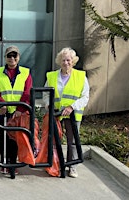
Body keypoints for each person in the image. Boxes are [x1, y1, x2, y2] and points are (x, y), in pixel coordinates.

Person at [43, 47, 90, 178]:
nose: (66, 63)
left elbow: (85, 96)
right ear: (59, 61)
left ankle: (72, 166)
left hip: (73, 114)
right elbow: (46, 93)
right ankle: (54, 164)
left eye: (68, 60)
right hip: (56, 113)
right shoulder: (52, 76)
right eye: (63, 60)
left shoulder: (81, 76)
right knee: (53, 139)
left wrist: (72, 107)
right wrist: (48, 104)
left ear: (73, 61)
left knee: (73, 141)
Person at [0, 45, 32, 174]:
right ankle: (4, 163)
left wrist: (20, 108)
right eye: (9, 56)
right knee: (3, 139)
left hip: (18, 113)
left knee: (14, 139)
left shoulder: (26, 73)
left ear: (18, 57)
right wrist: (1, 104)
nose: (12, 58)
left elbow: (27, 92)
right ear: (5, 58)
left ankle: (13, 163)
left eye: (15, 56)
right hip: (2, 112)